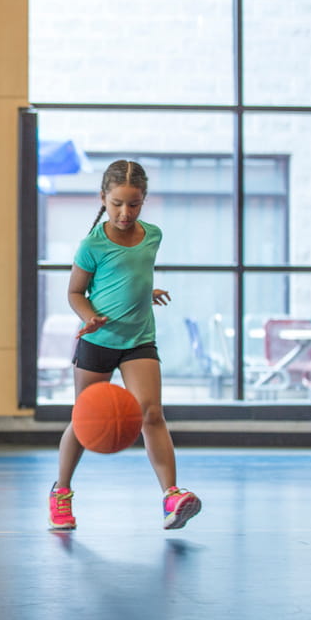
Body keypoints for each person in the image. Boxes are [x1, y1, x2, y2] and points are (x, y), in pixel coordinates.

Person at [49, 160, 201, 531]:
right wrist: (89, 316)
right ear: (103, 198)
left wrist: (146, 292)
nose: (125, 212)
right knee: (84, 421)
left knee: (152, 413)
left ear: (143, 201)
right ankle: (61, 493)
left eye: (133, 204)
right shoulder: (92, 244)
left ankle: (171, 496)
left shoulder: (153, 236)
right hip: (97, 341)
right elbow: (75, 292)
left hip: (139, 340)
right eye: (117, 203)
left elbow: (131, 276)